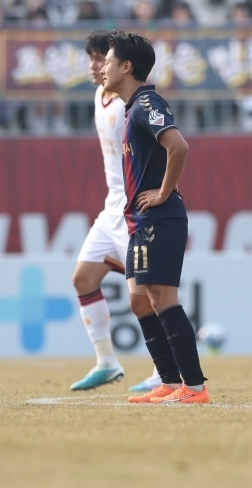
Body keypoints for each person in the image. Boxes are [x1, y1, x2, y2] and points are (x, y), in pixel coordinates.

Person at [100, 31, 209, 405]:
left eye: (109, 62)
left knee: (162, 298)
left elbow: (178, 145)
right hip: (140, 222)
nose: (102, 68)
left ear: (126, 67)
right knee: (139, 301)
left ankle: (194, 388)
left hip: (159, 218)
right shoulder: (133, 108)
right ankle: (167, 380)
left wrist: (163, 193)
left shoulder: (147, 103)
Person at [69, 32, 159, 392]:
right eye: (91, 59)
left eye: (100, 58)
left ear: (122, 65)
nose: (95, 66)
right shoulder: (99, 96)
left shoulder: (133, 103)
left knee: (148, 295)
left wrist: (161, 189)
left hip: (134, 211)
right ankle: (107, 363)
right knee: (83, 280)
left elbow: (165, 145)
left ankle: (162, 371)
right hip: (111, 210)